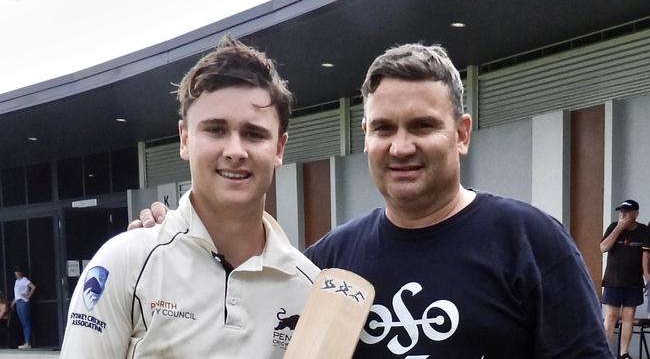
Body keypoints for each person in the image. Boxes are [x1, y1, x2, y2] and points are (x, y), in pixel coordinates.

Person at [135, 43, 612, 357]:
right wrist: (173, 245)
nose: (400, 146)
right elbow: (234, 320)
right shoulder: (326, 263)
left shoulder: (528, 242)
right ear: (364, 136)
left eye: (423, 126)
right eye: (384, 128)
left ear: (461, 135)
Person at [60, 36, 319, 358]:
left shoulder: (309, 289)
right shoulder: (125, 262)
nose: (235, 151)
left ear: (279, 147)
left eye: (254, 134)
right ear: (185, 139)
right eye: (215, 130)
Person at [600, 199, 650, 359]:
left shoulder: (643, 230)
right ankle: (605, 352)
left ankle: (624, 353)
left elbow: (646, 255)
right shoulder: (614, 227)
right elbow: (603, 247)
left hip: (633, 281)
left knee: (628, 317)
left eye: (626, 212)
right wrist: (619, 227)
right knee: (611, 317)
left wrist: (646, 276)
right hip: (613, 280)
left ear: (635, 214)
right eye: (621, 211)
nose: (623, 214)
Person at [11, 266, 36, 350]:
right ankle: (26, 341)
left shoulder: (24, 280)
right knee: (23, 323)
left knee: (26, 322)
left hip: (23, 301)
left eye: (18, 272)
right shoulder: (16, 282)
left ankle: (28, 342)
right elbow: (17, 294)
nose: (16, 273)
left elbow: (33, 287)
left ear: (21, 273)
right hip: (18, 302)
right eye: (15, 272)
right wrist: (13, 303)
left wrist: (28, 295)